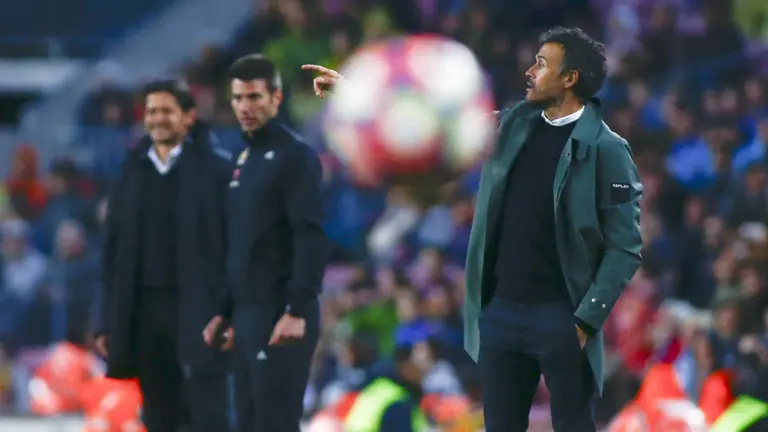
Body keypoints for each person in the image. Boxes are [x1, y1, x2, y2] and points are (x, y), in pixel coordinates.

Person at [305, 26, 642, 431]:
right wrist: (371, 101)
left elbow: (624, 246)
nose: (531, 72)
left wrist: (589, 317)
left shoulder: (605, 149)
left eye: (543, 64)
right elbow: (441, 122)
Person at [93, 79, 233, 431]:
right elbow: (112, 252)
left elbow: (239, 248)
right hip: (144, 313)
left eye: (167, 111)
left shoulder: (218, 170)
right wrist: (104, 319)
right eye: (152, 111)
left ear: (188, 117)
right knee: (157, 412)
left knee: (208, 411)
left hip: (201, 311)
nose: (157, 119)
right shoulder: (132, 172)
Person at [203, 54, 327, 432]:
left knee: (275, 423)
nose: (245, 107)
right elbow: (241, 245)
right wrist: (224, 311)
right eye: (238, 99)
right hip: (246, 315)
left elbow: (310, 236)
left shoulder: (296, 157)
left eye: (254, 97)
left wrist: (298, 310)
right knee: (248, 423)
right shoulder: (244, 159)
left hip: (279, 313)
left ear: (276, 98)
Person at [344, 344, 430, 432]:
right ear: (405, 365)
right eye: (419, 366)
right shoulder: (398, 401)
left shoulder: (381, 387)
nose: (424, 370)